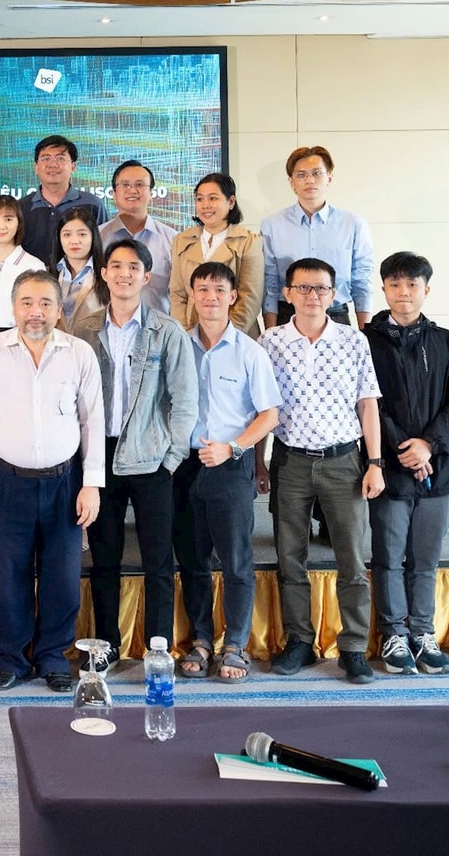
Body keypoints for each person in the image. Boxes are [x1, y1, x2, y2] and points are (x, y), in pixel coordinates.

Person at [0, 269, 104, 692]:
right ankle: (12, 659)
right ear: (13, 308)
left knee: (62, 577)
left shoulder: (79, 353)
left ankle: (53, 656)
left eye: (45, 303)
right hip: (7, 482)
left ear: (59, 310)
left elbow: (92, 421)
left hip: (65, 483)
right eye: (27, 302)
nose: (35, 312)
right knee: (9, 577)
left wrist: (91, 483)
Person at [72, 239, 198, 664]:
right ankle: (105, 647)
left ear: (146, 277)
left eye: (133, 267)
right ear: (103, 274)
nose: (124, 273)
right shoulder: (84, 329)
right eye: (116, 266)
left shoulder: (167, 330)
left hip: (151, 459)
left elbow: (184, 401)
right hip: (99, 458)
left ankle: (157, 648)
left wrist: (171, 460)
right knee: (104, 560)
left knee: (158, 561)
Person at [261, 258, 384, 684]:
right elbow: (262, 407)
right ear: (288, 293)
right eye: (303, 287)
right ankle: (299, 640)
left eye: (321, 289)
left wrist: (374, 463)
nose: (312, 295)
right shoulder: (269, 342)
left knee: (351, 558)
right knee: (290, 557)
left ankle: (353, 646)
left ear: (333, 295)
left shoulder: (353, 340)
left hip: (344, 461)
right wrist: (260, 461)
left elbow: (367, 404)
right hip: (290, 460)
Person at [364, 252, 449, 677]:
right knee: (388, 556)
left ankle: (423, 633)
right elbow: (368, 403)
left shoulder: (447, 342)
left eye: (412, 284)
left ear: (427, 289)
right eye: (395, 284)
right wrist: (403, 448)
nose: (404, 292)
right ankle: (393, 633)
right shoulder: (366, 341)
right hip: (389, 467)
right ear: (384, 289)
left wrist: (428, 444)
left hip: (437, 468)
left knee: (426, 559)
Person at [178, 262, 280, 683]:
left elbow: (269, 414)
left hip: (230, 464)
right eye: (202, 289)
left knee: (236, 560)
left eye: (219, 289)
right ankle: (202, 639)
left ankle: (235, 643)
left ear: (233, 296)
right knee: (192, 560)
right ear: (192, 295)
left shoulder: (250, 351)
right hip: (184, 466)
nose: (210, 297)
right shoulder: (178, 345)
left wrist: (234, 447)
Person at [260, 147, 374, 330]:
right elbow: (270, 282)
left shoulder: (352, 224)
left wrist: (366, 332)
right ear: (291, 182)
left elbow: (361, 279)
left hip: (336, 314)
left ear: (329, 177)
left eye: (317, 173)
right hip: (288, 316)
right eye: (301, 175)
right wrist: (270, 332)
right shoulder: (272, 225)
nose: (309, 180)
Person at [168, 172, 264, 336]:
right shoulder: (181, 240)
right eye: (200, 199)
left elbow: (250, 298)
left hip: (237, 334)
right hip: (191, 332)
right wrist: (184, 335)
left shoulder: (249, 242)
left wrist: (223, 336)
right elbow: (177, 294)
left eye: (213, 198)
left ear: (231, 202)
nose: (205, 205)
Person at [99, 159, 178, 316]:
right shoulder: (97, 237)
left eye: (139, 185)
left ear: (151, 193)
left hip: (158, 328)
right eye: (125, 185)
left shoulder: (172, 239)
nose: (133, 190)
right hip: (106, 327)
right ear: (114, 194)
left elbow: (181, 294)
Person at [20, 134, 104, 267]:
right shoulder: (21, 207)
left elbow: (101, 250)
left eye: (60, 158)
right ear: (36, 167)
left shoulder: (93, 205)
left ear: (73, 166)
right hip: (32, 278)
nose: (53, 164)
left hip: (80, 278)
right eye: (46, 158)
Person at [0, 194, 45, 338]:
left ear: (19, 223)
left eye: (8, 219)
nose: (1, 226)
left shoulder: (34, 266)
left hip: (21, 337)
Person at [54, 208, 110, 332]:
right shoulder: (48, 274)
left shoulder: (107, 276)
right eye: (67, 235)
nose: (75, 241)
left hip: (93, 343)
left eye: (82, 234)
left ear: (93, 237)